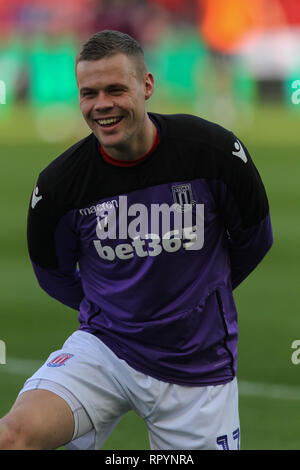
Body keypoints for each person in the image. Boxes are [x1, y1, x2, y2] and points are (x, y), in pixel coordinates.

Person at [0, 30, 273, 450]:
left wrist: (200, 295)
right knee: (13, 436)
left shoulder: (213, 152)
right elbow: (52, 272)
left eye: (115, 89)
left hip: (196, 363)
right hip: (105, 349)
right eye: (89, 93)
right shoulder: (60, 185)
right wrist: (115, 309)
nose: (101, 105)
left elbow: (255, 237)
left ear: (146, 86)